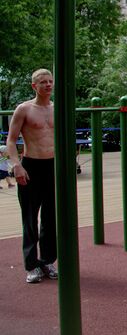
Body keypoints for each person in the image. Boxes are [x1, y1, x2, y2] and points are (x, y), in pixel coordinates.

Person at [7, 69, 58, 284]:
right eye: (43, 82)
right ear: (34, 86)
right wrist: (16, 166)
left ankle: (47, 260)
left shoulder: (58, 108)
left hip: (52, 166)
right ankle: (31, 265)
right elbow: (11, 140)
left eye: (50, 81)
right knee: (30, 217)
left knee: (50, 216)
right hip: (31, 166)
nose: (48, 85)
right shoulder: (24, 109)